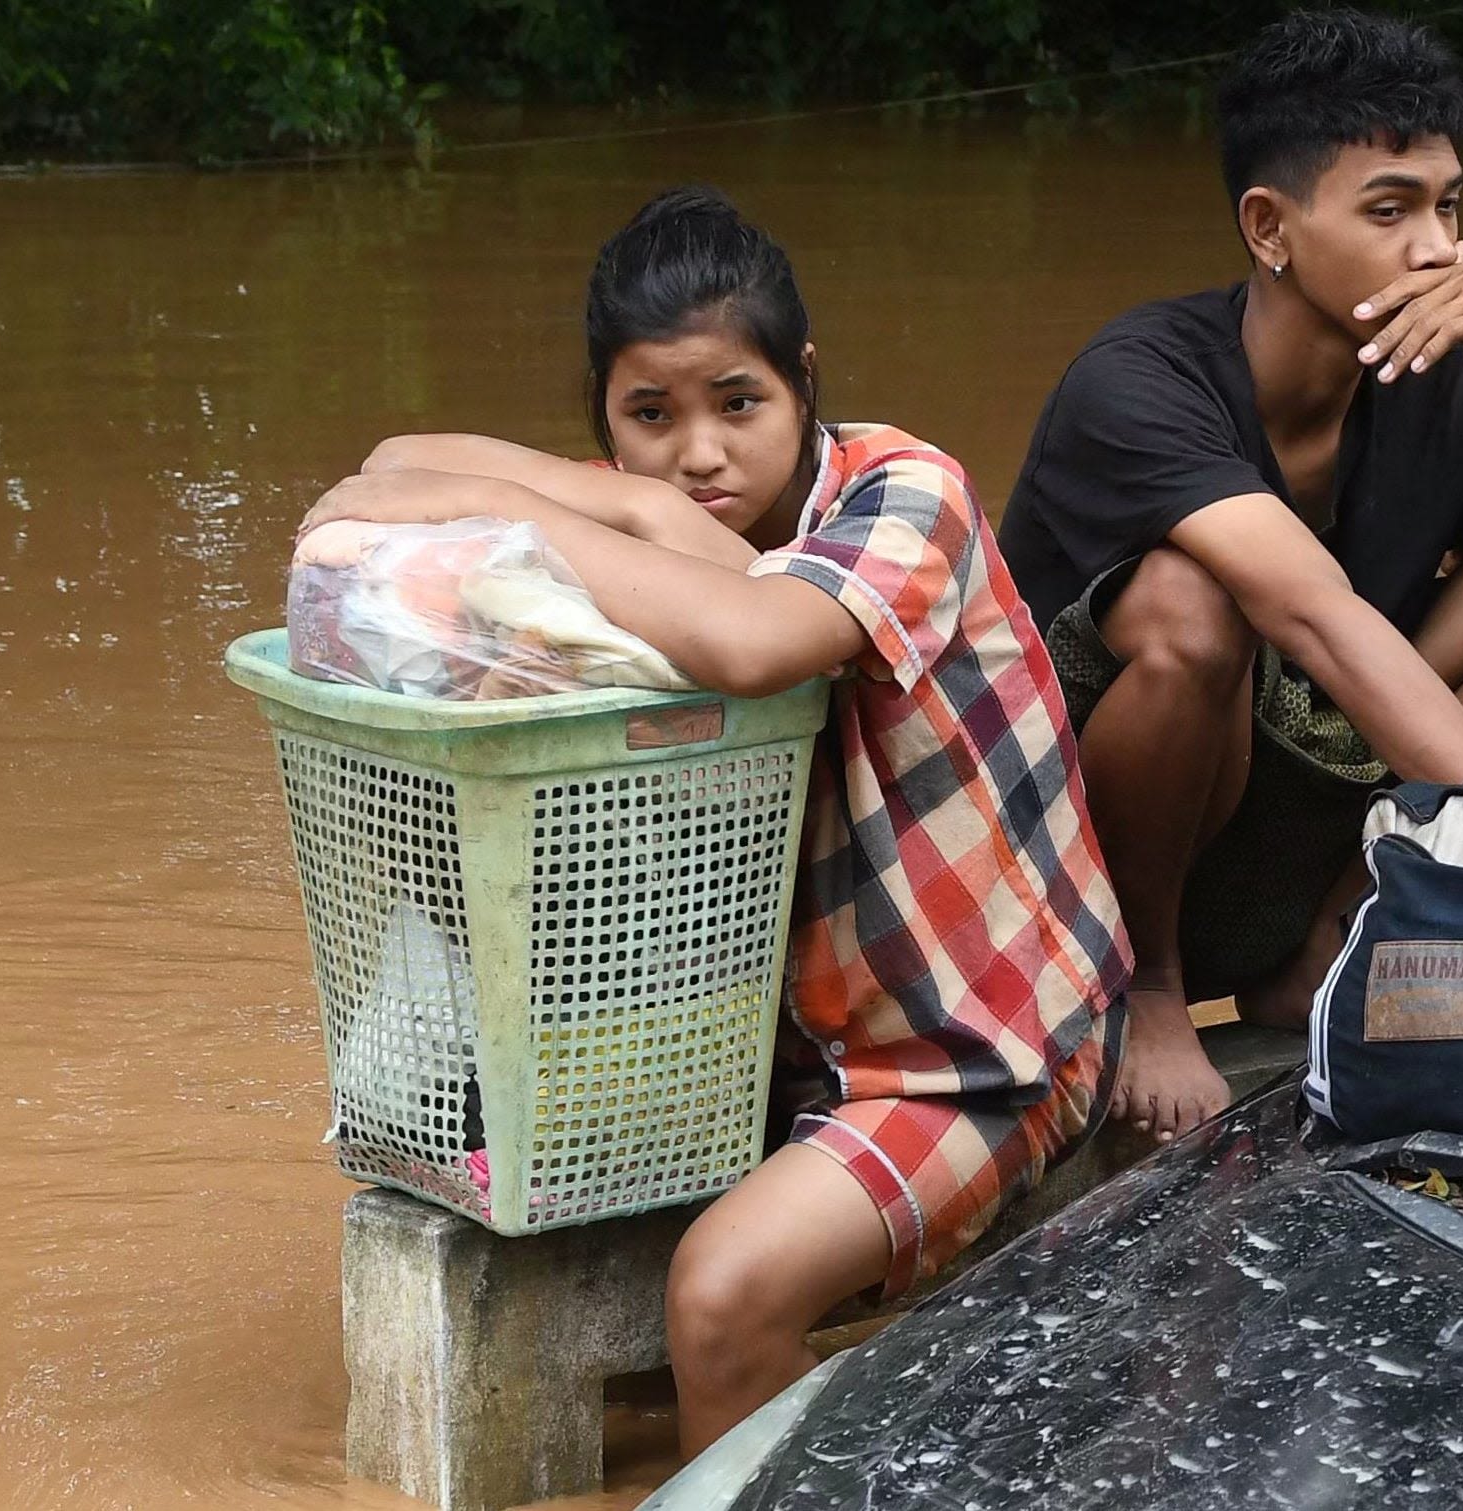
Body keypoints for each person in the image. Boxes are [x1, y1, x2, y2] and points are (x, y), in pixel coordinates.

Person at [300, 187, 1133, 1456]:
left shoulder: (909, 498)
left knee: (721, 1295)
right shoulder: (636, 506)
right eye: (651, 417)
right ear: (606, 421)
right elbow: (381, 473)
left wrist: (592, 517)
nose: (700, 455)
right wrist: (615, 508)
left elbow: (752, 635)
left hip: (988, 1048)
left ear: (804, 383)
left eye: (737, 404)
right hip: (787, 1051)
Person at [994, 8, 1463, 1149]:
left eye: (1449, 207)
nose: (1439, 248)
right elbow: (1314, 611)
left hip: (1287, 836)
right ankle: (1144, 989)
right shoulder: (1138, 380)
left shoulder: (1456, 381)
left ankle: (1334, 947)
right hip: (1080, 870)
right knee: (1190, 604)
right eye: (1390, 211)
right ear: (1269, 228)